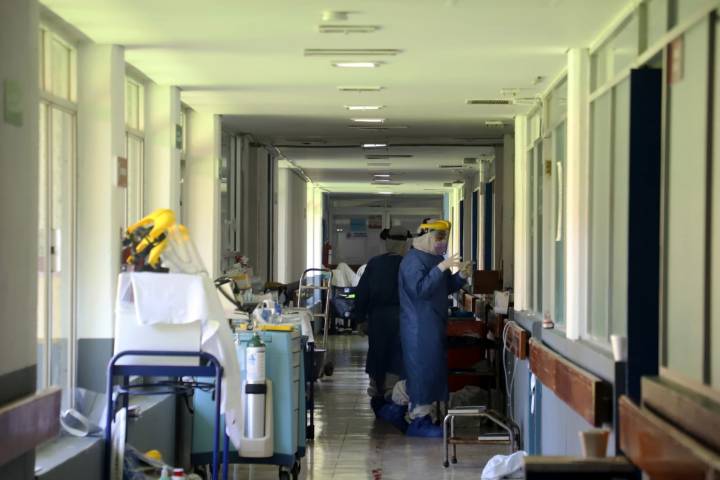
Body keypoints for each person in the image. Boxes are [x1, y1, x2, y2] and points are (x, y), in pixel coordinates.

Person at [397, 219, 473, 437]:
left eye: (444, 238)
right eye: (439, 238)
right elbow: (420, 290)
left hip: (434, 325)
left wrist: (461, 276)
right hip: (418, 328)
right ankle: (418, 419)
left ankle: (421, 412)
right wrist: (441, 268)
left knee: (432, 370)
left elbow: (444, 286)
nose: (442, 242)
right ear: (426, 236)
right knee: (422, 371)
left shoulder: (436, 259)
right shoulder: (412, 261)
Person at [353, 226, 412, 429]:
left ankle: (378, 395)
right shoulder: (408, 264)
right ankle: (393, 398)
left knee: (378, 354)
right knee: (397, 356)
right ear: (405, 243)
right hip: (403, 319)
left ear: (387, 242)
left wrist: (360, 319)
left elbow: (362, 293)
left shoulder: (375, 264)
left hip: (377, 319)